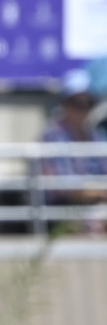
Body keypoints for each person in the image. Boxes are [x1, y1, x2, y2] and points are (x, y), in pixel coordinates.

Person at [39, 69, 107, 232]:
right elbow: (65, 188)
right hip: (65, 209)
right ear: (64, 104)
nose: (82, 109)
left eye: (88, 103)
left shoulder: (96, 133)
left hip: (96, 205)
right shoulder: (52, 136)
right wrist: (98, 192)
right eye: (76, 103)